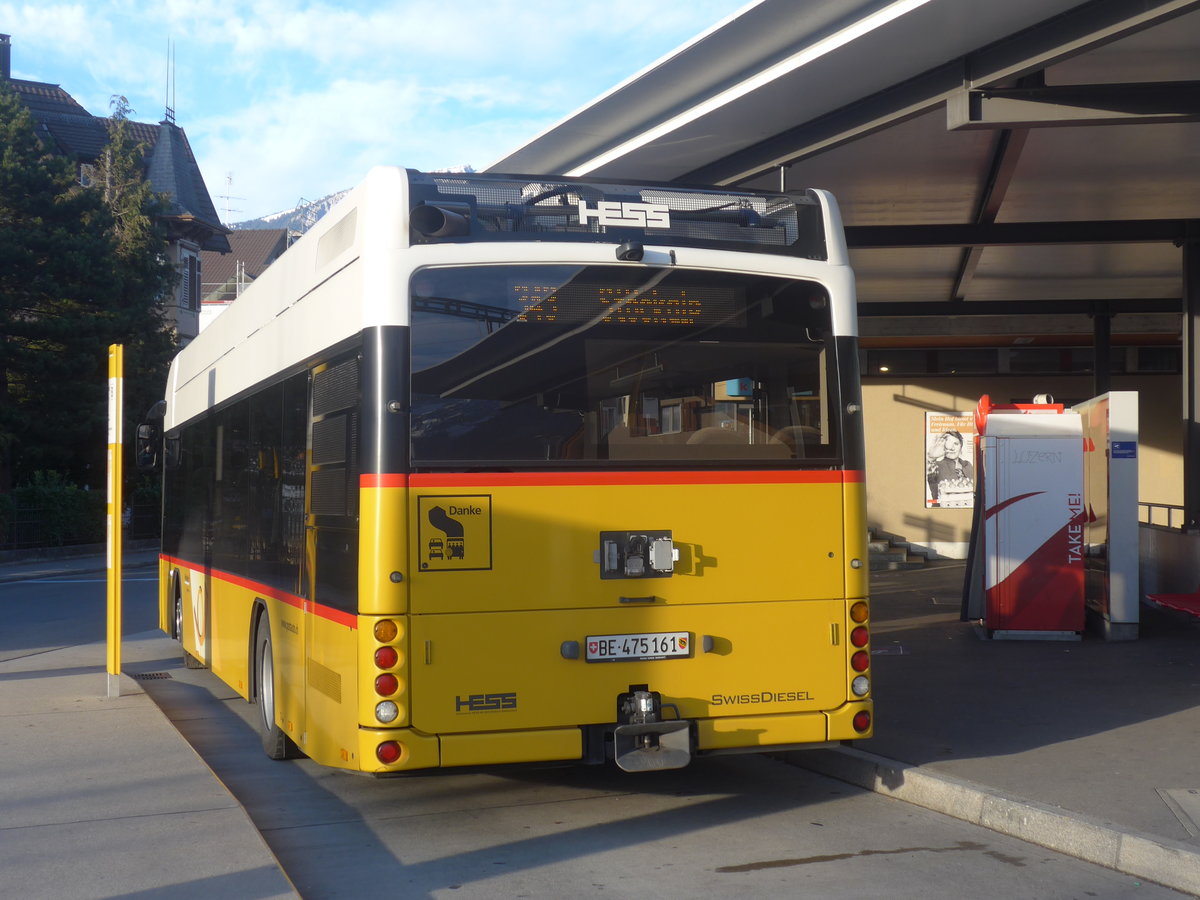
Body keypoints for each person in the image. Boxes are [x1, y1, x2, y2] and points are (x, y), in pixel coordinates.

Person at [926, 430, 973, 504]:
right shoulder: (936, 465)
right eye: (948, 444)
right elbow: (923, 472)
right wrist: (931, 457)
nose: (952, 448)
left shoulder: (968, 465)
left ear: (961, 446)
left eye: (956, 444)